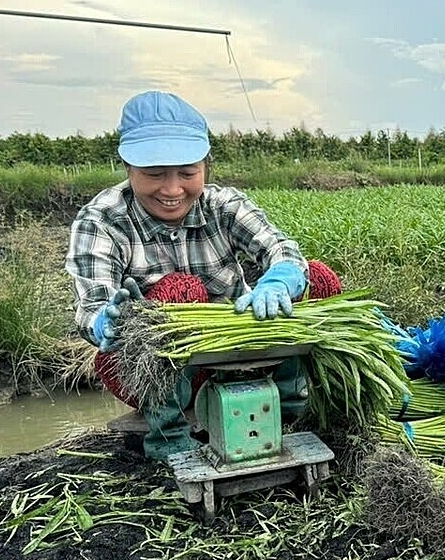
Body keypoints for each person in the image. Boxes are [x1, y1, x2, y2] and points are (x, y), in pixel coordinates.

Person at [65, 90, 339, 462]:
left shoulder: (222, 206)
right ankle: (169, 433)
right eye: (154, 174)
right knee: (180, 290)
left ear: (206, 166)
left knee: (317, 277)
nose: (173, 189)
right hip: (154, 368)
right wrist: (103, 321)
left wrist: (281, 277)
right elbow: (92, 303)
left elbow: (280, 248)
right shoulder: (103, 219)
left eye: (188, 173)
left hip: (243, 352)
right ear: (127, 167)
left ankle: (292, 405)